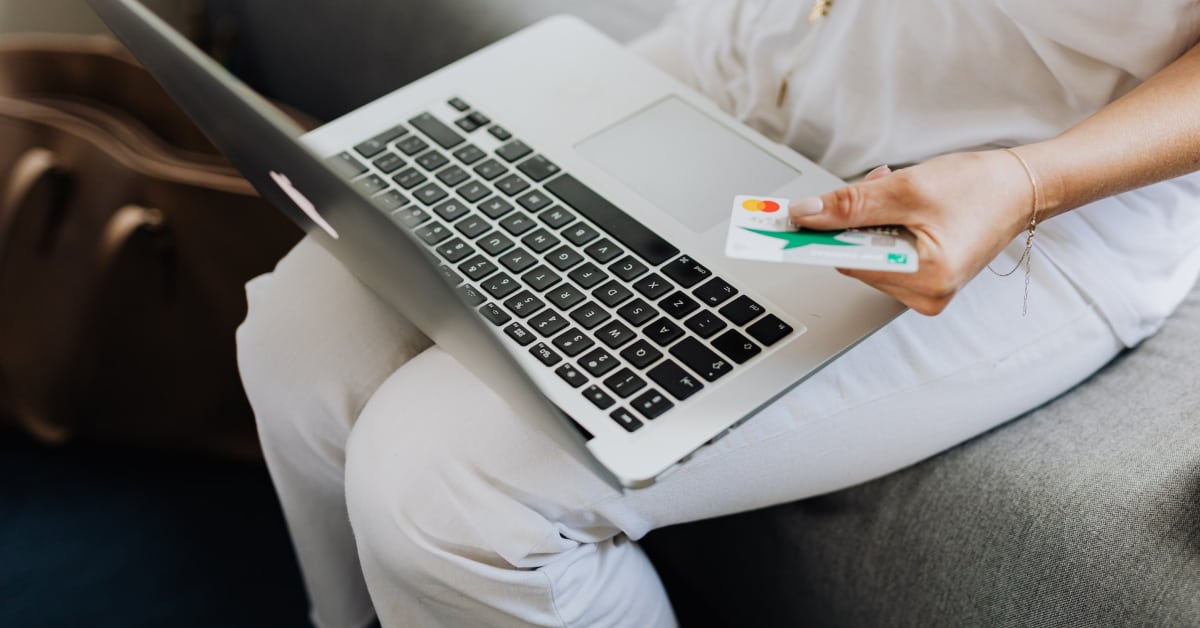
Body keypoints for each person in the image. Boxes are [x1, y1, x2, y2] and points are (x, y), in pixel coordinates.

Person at [236, 1, 1200, 626]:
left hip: (1007, 184)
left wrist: (1032, 180)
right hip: (746, 53)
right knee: (299, 341)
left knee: (444, 488)